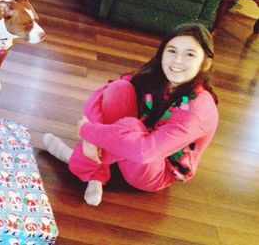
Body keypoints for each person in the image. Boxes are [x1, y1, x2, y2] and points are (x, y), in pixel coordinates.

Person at [43, 23, 218, 206]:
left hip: (154, 171)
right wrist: (91, 140)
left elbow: (145, 152)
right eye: (172, 51)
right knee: (119, 88)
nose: (177, 61)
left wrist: (88, 131)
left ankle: (76, 162)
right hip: (135, 143)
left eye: (189, 54)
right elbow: (103, 93)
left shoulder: (198, 109)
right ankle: (96, 173)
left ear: (205, 63)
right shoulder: (160, 78)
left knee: (131, 127)